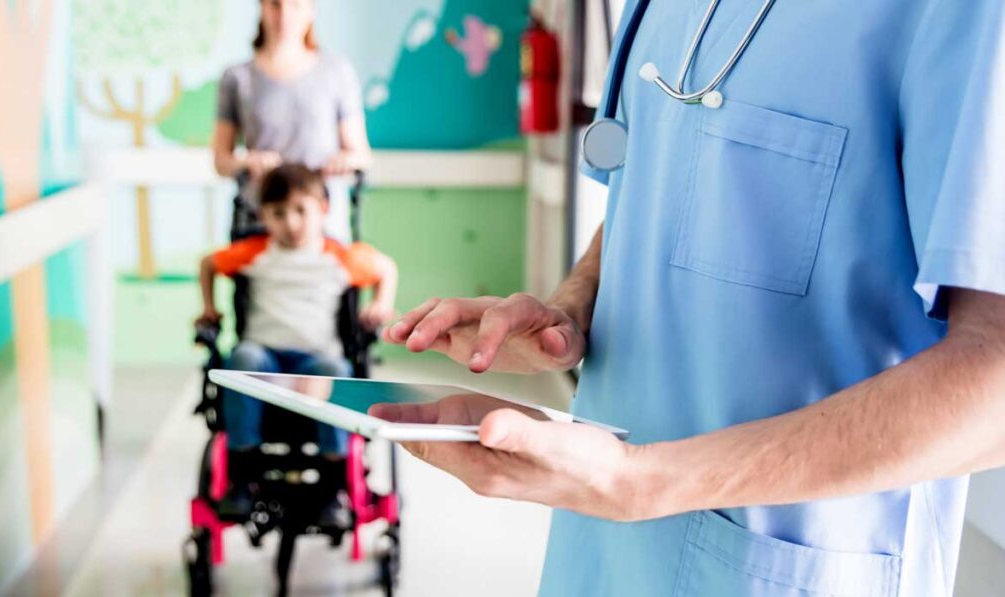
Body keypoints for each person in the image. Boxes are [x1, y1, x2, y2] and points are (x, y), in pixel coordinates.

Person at [376, 1, 1005, 595]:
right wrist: (568, 311)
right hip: (599, 549)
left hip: (781, 560)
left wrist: (643, 480)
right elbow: (667, 171)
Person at [197, 164, 397, 513]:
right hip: (265, 358)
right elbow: (208, 264)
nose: (290, 223)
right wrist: (210, 308)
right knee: (242, 359)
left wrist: (382, 304)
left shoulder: (340, 256)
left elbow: (387, 268)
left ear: (322, 209)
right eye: (278, 214)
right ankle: (242, 476)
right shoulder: (255, 251)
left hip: (315, 360)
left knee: (334, 369)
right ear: (263, 216)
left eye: (300, 211)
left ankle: (333, 486)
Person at [213, 0, 371, 242]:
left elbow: (361, 154)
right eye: (275, 5)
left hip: (323, 226)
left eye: (295, 5)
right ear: (262, 8)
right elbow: (221, 161)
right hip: (261, 221)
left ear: (311, 10)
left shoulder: (337, 72)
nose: (284, 15)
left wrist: (342, 161)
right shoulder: (237, 78)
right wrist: (249, 161)